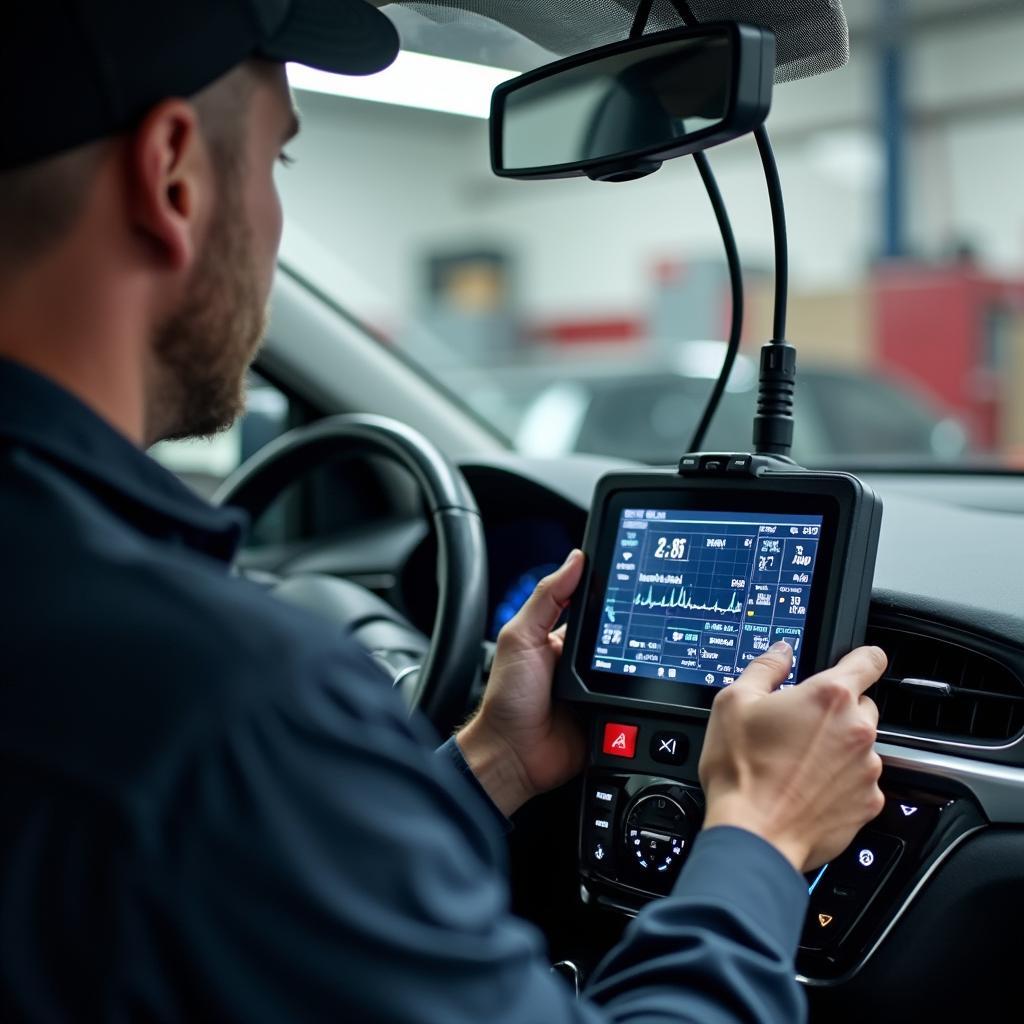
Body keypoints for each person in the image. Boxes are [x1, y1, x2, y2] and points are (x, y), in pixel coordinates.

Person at [0, 1, 887, 1020]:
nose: (276, 217)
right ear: (172, 175)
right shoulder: (222, 709)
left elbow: (280, 899)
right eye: (279, 162)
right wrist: (762, 839)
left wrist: (497, 758)